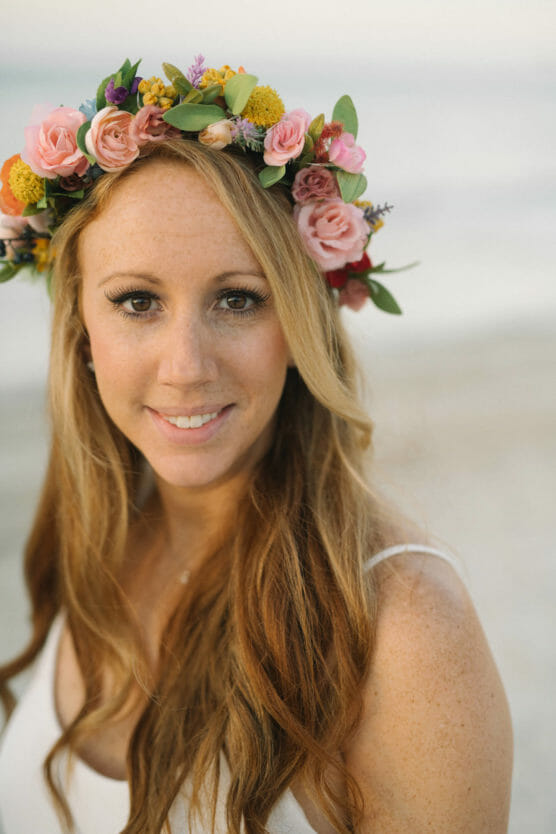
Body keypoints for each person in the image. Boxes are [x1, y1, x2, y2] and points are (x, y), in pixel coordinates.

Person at [0, 58, 512, 834]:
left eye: (238, 299)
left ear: (302, 327)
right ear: (82, 330)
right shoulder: (100, 542)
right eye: (137, 301)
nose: (186, 367)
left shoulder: (402, 627)